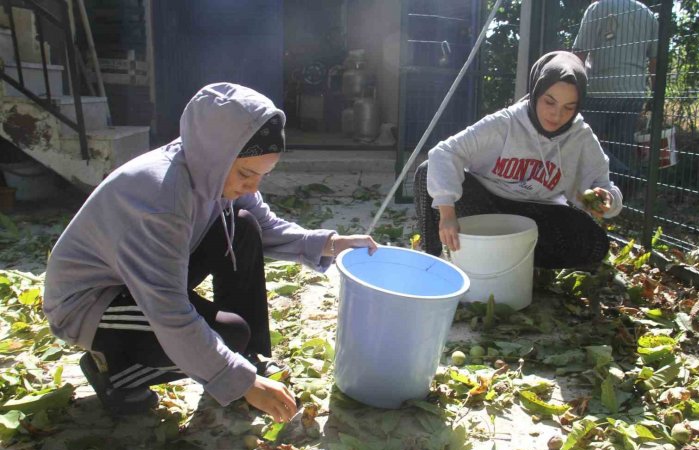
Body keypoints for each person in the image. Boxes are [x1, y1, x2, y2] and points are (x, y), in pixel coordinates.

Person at [43, 82, 378, 419]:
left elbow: (265, 225)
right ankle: (115, 373)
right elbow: (169, 312)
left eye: (263, 175)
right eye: (247, 174)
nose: (252, 186)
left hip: (143, 276)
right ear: (218, 156)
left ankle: (252, 357)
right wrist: (240, 382)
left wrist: (330, 244)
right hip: (93, 302)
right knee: (230, 336)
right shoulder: (162, 201)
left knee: (245, 224)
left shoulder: (208, 167)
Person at [414, 51, 623, 269]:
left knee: (594, 243)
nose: (556, 114)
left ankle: (509, 260)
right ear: (536, 92)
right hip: (488, 205)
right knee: (428, 171)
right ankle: (435, 261)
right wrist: (447, 213)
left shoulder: (582, 137)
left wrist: (607, 200)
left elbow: (606, 189)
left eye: (568, 107)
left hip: (539, 213)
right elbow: (444, 152)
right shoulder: (506, 122)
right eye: (549, 102)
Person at [573, 0, 659, 174]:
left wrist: (573, 91)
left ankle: (620, 178)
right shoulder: (648, 14)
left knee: (583, 142)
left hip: (599, 91)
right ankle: (619, 189)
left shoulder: (598, 7)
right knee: (621, 149)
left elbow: (578, 55)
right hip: (633, 94)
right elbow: (655, 61)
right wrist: (656, 96)